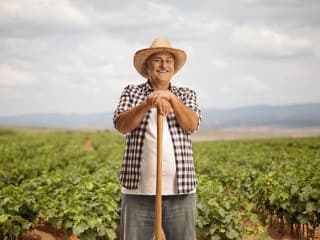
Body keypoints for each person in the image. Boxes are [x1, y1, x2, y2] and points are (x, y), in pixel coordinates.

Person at [113, 38, 201, 240]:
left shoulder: (186, 94)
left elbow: (192, 124)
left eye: (169, 61)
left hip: (181, 190)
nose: (164, 65)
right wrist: (147, 104)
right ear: (147, 66)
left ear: (174, 67)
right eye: (158, 60)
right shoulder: (132, 92)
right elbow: (121, 125)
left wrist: (170, 98)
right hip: (137, 191)